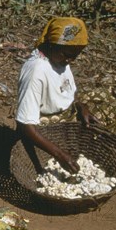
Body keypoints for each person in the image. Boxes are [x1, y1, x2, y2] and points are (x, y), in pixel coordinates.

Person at [15, 17, 98, 174]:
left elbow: (68, 90)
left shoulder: (60, 59)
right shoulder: (36, 71)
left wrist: (81, 106)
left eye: (75, 56)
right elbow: (25, 125)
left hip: (65, 114)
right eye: (67, 55)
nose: (70, 60)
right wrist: (60, 155)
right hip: (43, 125)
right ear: (52, 44)